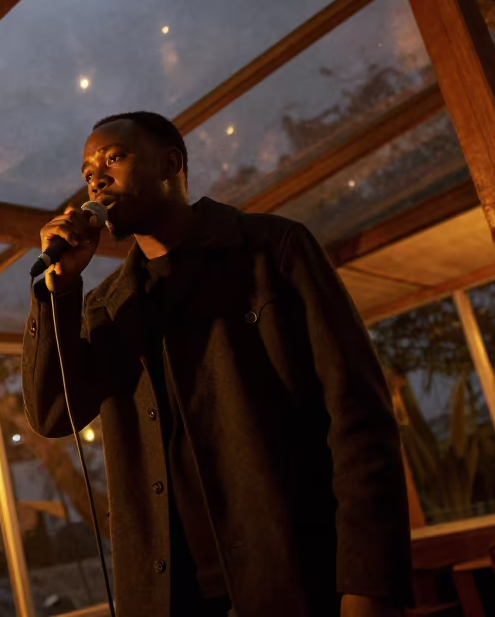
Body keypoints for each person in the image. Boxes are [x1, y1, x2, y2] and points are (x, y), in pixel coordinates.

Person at [22, 112, 411, 616]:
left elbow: (356, 413)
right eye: (86, 171)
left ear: (171, 163)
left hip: (295, 582)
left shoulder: (272, 249)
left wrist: (369, 584)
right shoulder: (107, 305)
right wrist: (62, 289)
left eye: (113, 157)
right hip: (171, 599)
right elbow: (53, 414)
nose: (95, 177)